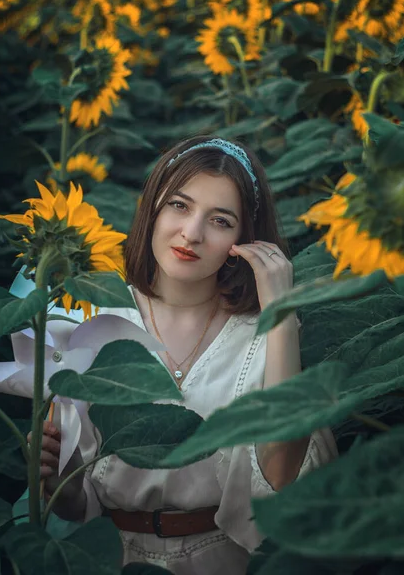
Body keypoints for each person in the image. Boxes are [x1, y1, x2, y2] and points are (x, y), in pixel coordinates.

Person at [30, 135, 338, 573]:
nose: (191, 233)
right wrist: (60, 482)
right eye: (179, 204)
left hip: (225, 560)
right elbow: (77, 504)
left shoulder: (261, 333)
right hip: (112, 559)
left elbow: (282, 478)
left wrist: (281, 313)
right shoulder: (92, 318)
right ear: (152, 206)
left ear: (244, 239)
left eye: (220, 220)